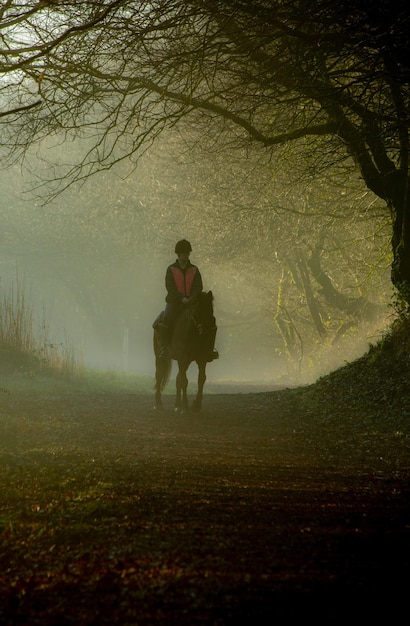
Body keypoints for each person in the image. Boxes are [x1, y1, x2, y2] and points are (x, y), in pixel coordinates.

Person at [158, 239, 218, 359]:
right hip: (175, 302)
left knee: (210, 321)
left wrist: (192, 297)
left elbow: (198, 286)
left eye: (187, 252)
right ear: (178, 254)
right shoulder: (171, 269)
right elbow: (170, 287)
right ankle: (164, 348)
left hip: (192, 302)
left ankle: (209, 349)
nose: (185, 255)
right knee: (166, 319)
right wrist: (181, 298)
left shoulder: (194, 269)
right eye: (183, 253)